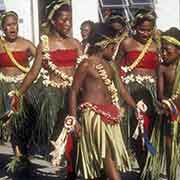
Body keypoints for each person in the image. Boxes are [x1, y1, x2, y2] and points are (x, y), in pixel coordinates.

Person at [10, 0, 82, 178]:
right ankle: (25, 156)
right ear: (53, 21)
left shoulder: (76, 43)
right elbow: (34, 72)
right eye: (63, 20)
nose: (67, 24)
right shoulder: (45, 44)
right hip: (51, 96)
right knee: (56, 136)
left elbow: (84, 70)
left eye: (69, 20)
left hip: (74, 95)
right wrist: (19, 93)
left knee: (75, 136)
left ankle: (72, 171)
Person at [67, 23, 138, 180]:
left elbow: (122, 90)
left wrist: (135, 107)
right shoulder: (86, 64)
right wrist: (74, 120)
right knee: (108, 158)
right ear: (103, 45)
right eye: (113, 47)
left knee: (103, 164)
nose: (115, 51)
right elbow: (73, 91)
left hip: (110, 115)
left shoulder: (111, 65)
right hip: (93, 117)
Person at [117, 8, 160, 171]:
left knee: (149, 126)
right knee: (136, 126)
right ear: (135, 27)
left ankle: (149, 161)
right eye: (142, 29)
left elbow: (159, 70)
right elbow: (116, 67)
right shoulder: (127, 43)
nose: (145, 33)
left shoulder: (156, 45)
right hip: (131, 91)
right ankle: (142, 163)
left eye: (149, 30)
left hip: (151, 91)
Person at [0, 10, 39, 174]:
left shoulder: (26, 44)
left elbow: (42, 59)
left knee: (27, 121)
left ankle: (25, 151)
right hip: (5, 89)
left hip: (24, 88)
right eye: (8, 25)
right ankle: (18, 155)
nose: (12, 28)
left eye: (14, 24)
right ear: (3, 28)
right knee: (13, 124)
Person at [142, 27, 180, 180]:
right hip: (169, 111)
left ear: (178, 51)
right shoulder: (162, 67)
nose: (163, 54)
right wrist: (166, 105)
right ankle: (171, 175)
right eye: (162, 50)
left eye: (168, 51)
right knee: (169, 144)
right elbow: (160, 94)